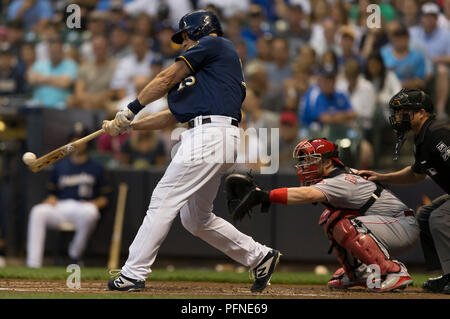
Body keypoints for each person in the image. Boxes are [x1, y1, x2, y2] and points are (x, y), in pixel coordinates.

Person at [102, 10, 281, 292]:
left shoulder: (216, 44)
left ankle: (133, 273)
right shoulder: (206, 74)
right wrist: (129, 127)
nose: (183, 43)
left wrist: (129, 109)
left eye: (185, 36)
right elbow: (172, 116)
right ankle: (259, 256)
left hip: (210, 136)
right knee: (195, 218)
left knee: (163, 199)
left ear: (200, 29)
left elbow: (164, 79)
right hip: (213, 135)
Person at [230, 137, 419, 292]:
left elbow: (307, 194)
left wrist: (265, 196)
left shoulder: (340, 179)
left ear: (328, 161)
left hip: (401, 225)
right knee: (330, 218)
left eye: (311, 159)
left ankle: (393, 271)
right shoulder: (336, 176)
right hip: (389, 225)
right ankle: (358, 274)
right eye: (303, 160)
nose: (304, 165)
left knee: (346, 224)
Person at [358, 89, 450, 294]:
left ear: (422, 113)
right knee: (425, 215)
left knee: (440, 218)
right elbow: (416, 174)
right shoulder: (423, 137)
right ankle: (447, 274)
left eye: (405, 111)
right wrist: (381, 177)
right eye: (398, 112)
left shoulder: (438, 133)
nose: (399, 117)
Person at [26, 124, 110, 267]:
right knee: (38, 211)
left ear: (87, 143)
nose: (77, 142)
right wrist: (51, 199)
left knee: (91, 213)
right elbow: (52, 193)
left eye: (80, 139)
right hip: (61, 206)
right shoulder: (60, 165)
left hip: (83, 207)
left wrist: (94, 205)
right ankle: (33, 263)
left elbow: (105, 197)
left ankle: (74, 255)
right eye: (74, 138)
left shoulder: (96, 166)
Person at [27, 37, 78, 108]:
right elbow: (31, 79)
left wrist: (41, 79)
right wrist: (57, 79)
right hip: (38, 106)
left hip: (61, 106)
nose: (54, 52)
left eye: (57, 50)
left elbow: (65, 83)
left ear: (62, 50)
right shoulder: (39, 64)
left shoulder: (71, 64)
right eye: (52, 50)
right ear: (48, 50)